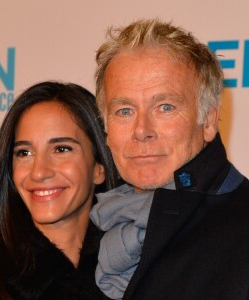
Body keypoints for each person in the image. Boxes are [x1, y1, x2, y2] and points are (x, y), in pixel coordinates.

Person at [90, 19, 249, 300]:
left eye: (165, 107)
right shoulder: (100, 224)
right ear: (105, 127)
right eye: (125, 111)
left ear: (209, 119)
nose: (142, 131)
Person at [0, 81, 117, 299]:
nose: (39, 172)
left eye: (61, 149)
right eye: (24, 153)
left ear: (99, 167)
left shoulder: (137, 270)